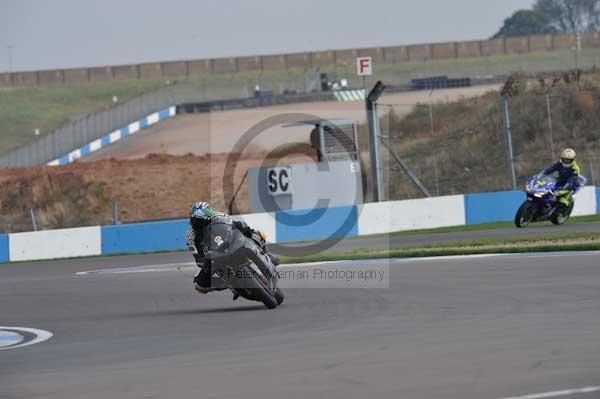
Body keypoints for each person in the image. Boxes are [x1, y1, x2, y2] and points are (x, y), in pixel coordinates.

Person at [185, 201, 279, 295]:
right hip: (213, 255)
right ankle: (229, 283)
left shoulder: (219, 217)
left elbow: (236, 225)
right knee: (199, 286)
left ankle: (265, 253)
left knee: (255, 233)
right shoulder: (190, 236)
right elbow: (198, 257)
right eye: (194, 220)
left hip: (228, 243)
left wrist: (244, 231)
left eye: (200, 221)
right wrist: (206, 263)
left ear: (209, 218)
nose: (197, 224)